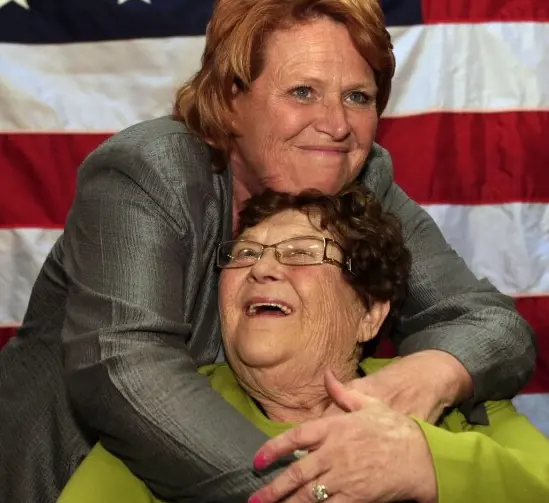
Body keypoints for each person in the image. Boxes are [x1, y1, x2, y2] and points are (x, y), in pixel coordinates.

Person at [0, 0, 536, 502]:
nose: (337, 125)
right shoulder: (147, 171)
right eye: (303, 91)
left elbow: (486, 320)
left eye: (358, 96)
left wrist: (431, 374)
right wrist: (314, 487)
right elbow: (125, 366)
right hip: (68, 476)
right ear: (231, 101)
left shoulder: (363, 179)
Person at [58, 185, 549, 503]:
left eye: (301, 253)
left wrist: (427, 463)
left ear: (370, 313)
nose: (263, 268)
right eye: (245, 253)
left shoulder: (454, 402)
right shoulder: (160, 418)